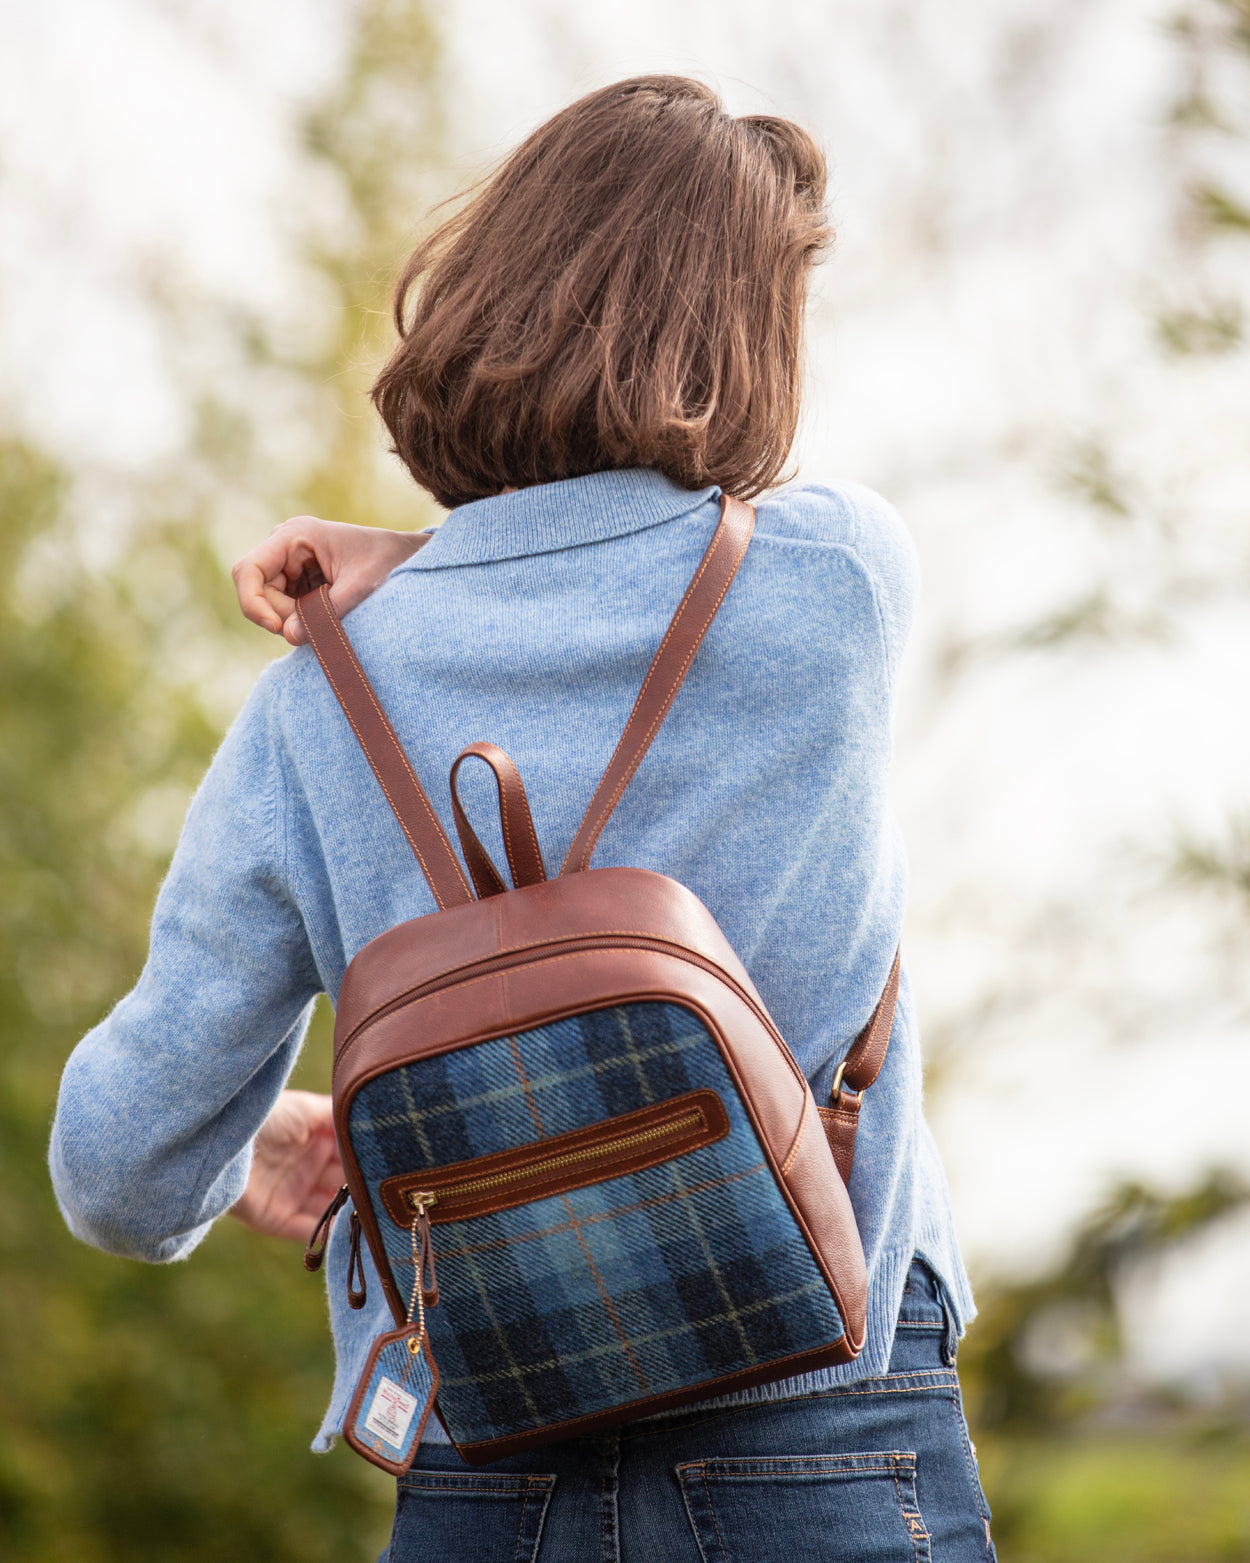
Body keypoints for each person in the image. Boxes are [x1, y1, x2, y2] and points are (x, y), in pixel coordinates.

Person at [51, 75, 995, 1562]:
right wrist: (414, 552)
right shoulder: (835, 586)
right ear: (747, 337)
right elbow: (663, 536)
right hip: (823, 1429)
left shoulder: (315, 702)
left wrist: (244, 1157)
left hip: (487, 1459)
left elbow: (119, 1175)